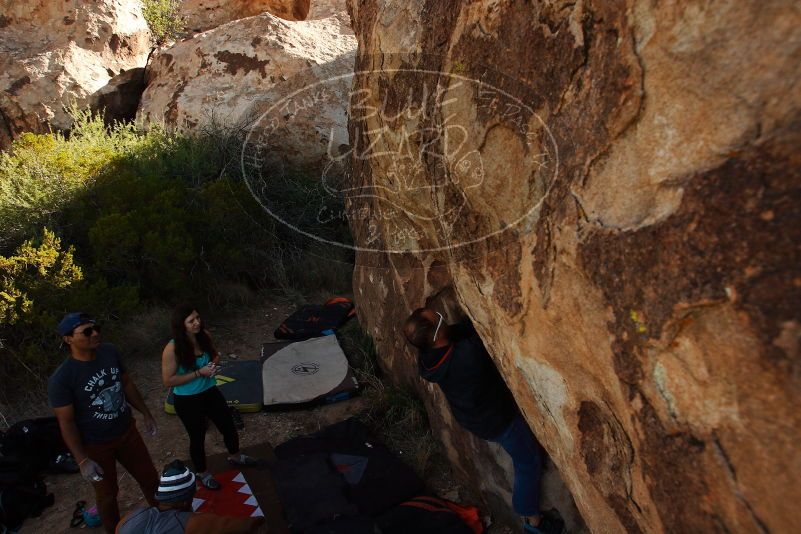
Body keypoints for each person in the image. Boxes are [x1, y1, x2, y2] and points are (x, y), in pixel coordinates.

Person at [403, 307, 564, 534]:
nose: (442, 315)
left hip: (474, 417)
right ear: (437, 334)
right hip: (499, 421)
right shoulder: (467, 356)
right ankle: (533, 521)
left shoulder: (428, 358)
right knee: (528, 461)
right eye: (438, 317)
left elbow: (461, 329)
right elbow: (487, 331)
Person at [49, 312, 160, 534]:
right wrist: (82, 461)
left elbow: (126, 384)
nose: (95, 333)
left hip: (127, 432)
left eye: (96, 328)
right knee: (107, 495)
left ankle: (166, 519)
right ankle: (113, 530)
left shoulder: (109, 351)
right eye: (87, 332)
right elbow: (67, 423)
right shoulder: (62, 379)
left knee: (150, 479)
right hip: (96, 445)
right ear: (68, 339)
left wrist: (146, 413)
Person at [161, 304, 260, 490]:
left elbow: (214, 356)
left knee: (228, 426)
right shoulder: (172, 349)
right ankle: (202, 473)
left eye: (197, 318)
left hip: (210, 392)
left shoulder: (204, 336)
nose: (197, 323)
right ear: (181, 325)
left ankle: (235, 456)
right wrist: (200, 373)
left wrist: (214, 365)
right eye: (191, 321)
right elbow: (169, 381)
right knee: (197, 437)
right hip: (187, 399)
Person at [116, 459, 267, 533]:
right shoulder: (191, 523)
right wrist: (259, 520)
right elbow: (240, 526)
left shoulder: (128, 519)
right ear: (184, 501)